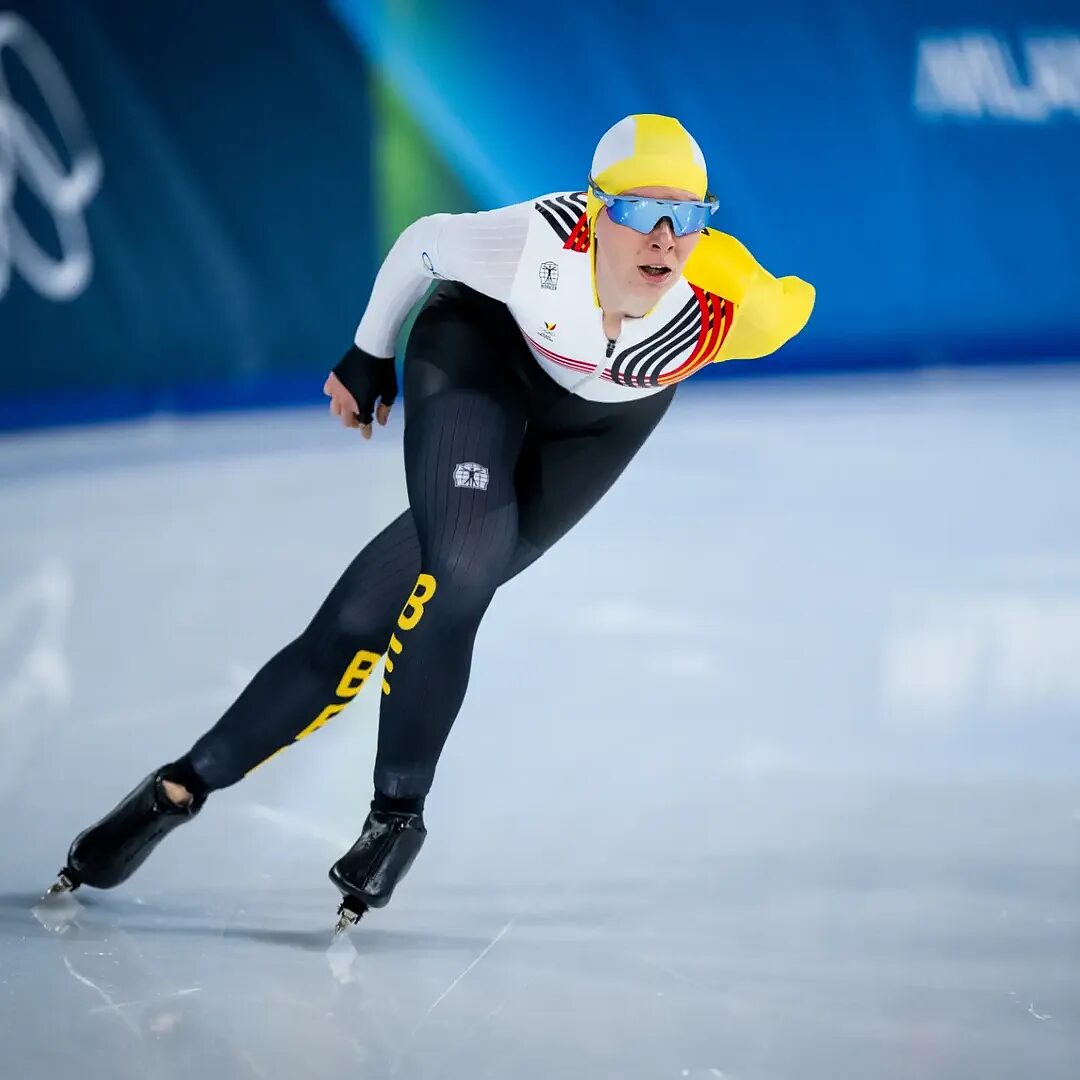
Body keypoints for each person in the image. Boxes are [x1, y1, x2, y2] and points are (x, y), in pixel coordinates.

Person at [49, 114, 815, 932]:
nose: (665, 238)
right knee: (463, 566)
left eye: (688, 216)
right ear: (596, 211)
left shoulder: (734, 305)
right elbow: (423, 242)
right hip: (481, 351)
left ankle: (175, 789)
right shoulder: (537, 240)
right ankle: (398, 814)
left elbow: (792, 303)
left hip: (604, 422)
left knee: (359, 619)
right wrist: (367, 354)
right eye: (639, 212)